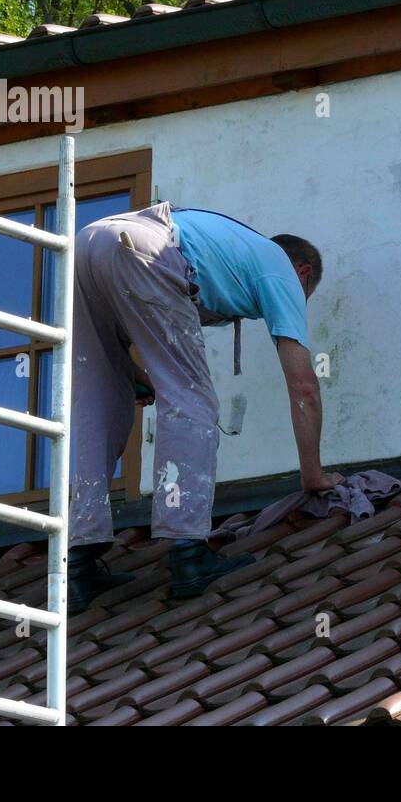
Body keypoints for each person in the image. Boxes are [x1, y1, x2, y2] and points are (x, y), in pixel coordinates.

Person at [66, 201, 341, 611]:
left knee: (99, 396)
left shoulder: (230, 254)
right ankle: (188, 551)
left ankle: (78, 566)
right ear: (302, 273)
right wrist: (313, 476)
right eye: (304, 298)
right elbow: (303, 386)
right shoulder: (279, 265)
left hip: (86, 247)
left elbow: (139, 314)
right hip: (146, 247)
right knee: (190, 397)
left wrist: (133, 372)